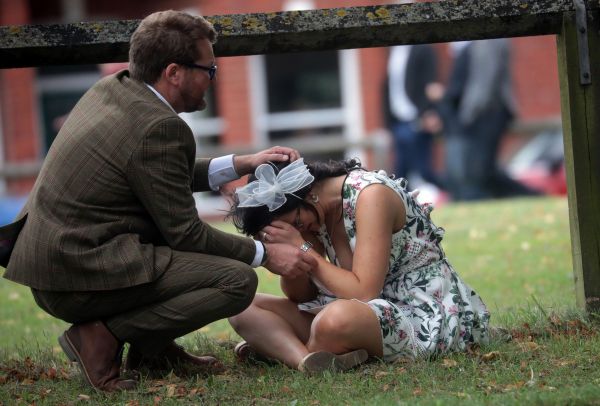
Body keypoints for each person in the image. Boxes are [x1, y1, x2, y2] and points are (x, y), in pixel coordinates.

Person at [1, 10, 317, 392]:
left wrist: (242, 163)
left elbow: (156, 173)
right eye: (209, 70)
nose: (212, 81)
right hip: (79, 275)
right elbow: (186, 234)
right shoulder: (161, 127)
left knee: (179, 254)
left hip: (56, 262)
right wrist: (266, 255)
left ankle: (152, 350)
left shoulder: (114, 89)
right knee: (234, 281)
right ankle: (100, 337)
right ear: (173, 72)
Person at [227, 158, 490, 372]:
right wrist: (290, 257)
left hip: (420, 310)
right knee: (241, 305)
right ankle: (305, 361)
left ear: (307, 194)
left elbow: (364, 292)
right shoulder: (314, 215)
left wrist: (303, 247)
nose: (300, 229)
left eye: (296, 222)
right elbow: (301, 295)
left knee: (333, 321)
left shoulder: (371, 195)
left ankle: (280, 349)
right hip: (359, 312)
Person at [439, 39, 540, 200]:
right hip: (482, 114)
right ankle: (530, 196)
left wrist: (469, 115)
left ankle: (532, 195)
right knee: (483, 169)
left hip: (490, 112)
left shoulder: (489, 41)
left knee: (482, 169)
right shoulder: (473, 45)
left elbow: (486, 82)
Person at [384, 43, 444, 190]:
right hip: (398, 122)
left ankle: (453, 193)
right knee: (400, 174)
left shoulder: (423, 49)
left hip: (417, 119)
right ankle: (405, 209)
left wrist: (428, 111)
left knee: (424, 171)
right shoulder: (393, 51)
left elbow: (431, 84)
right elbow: (389, 88)